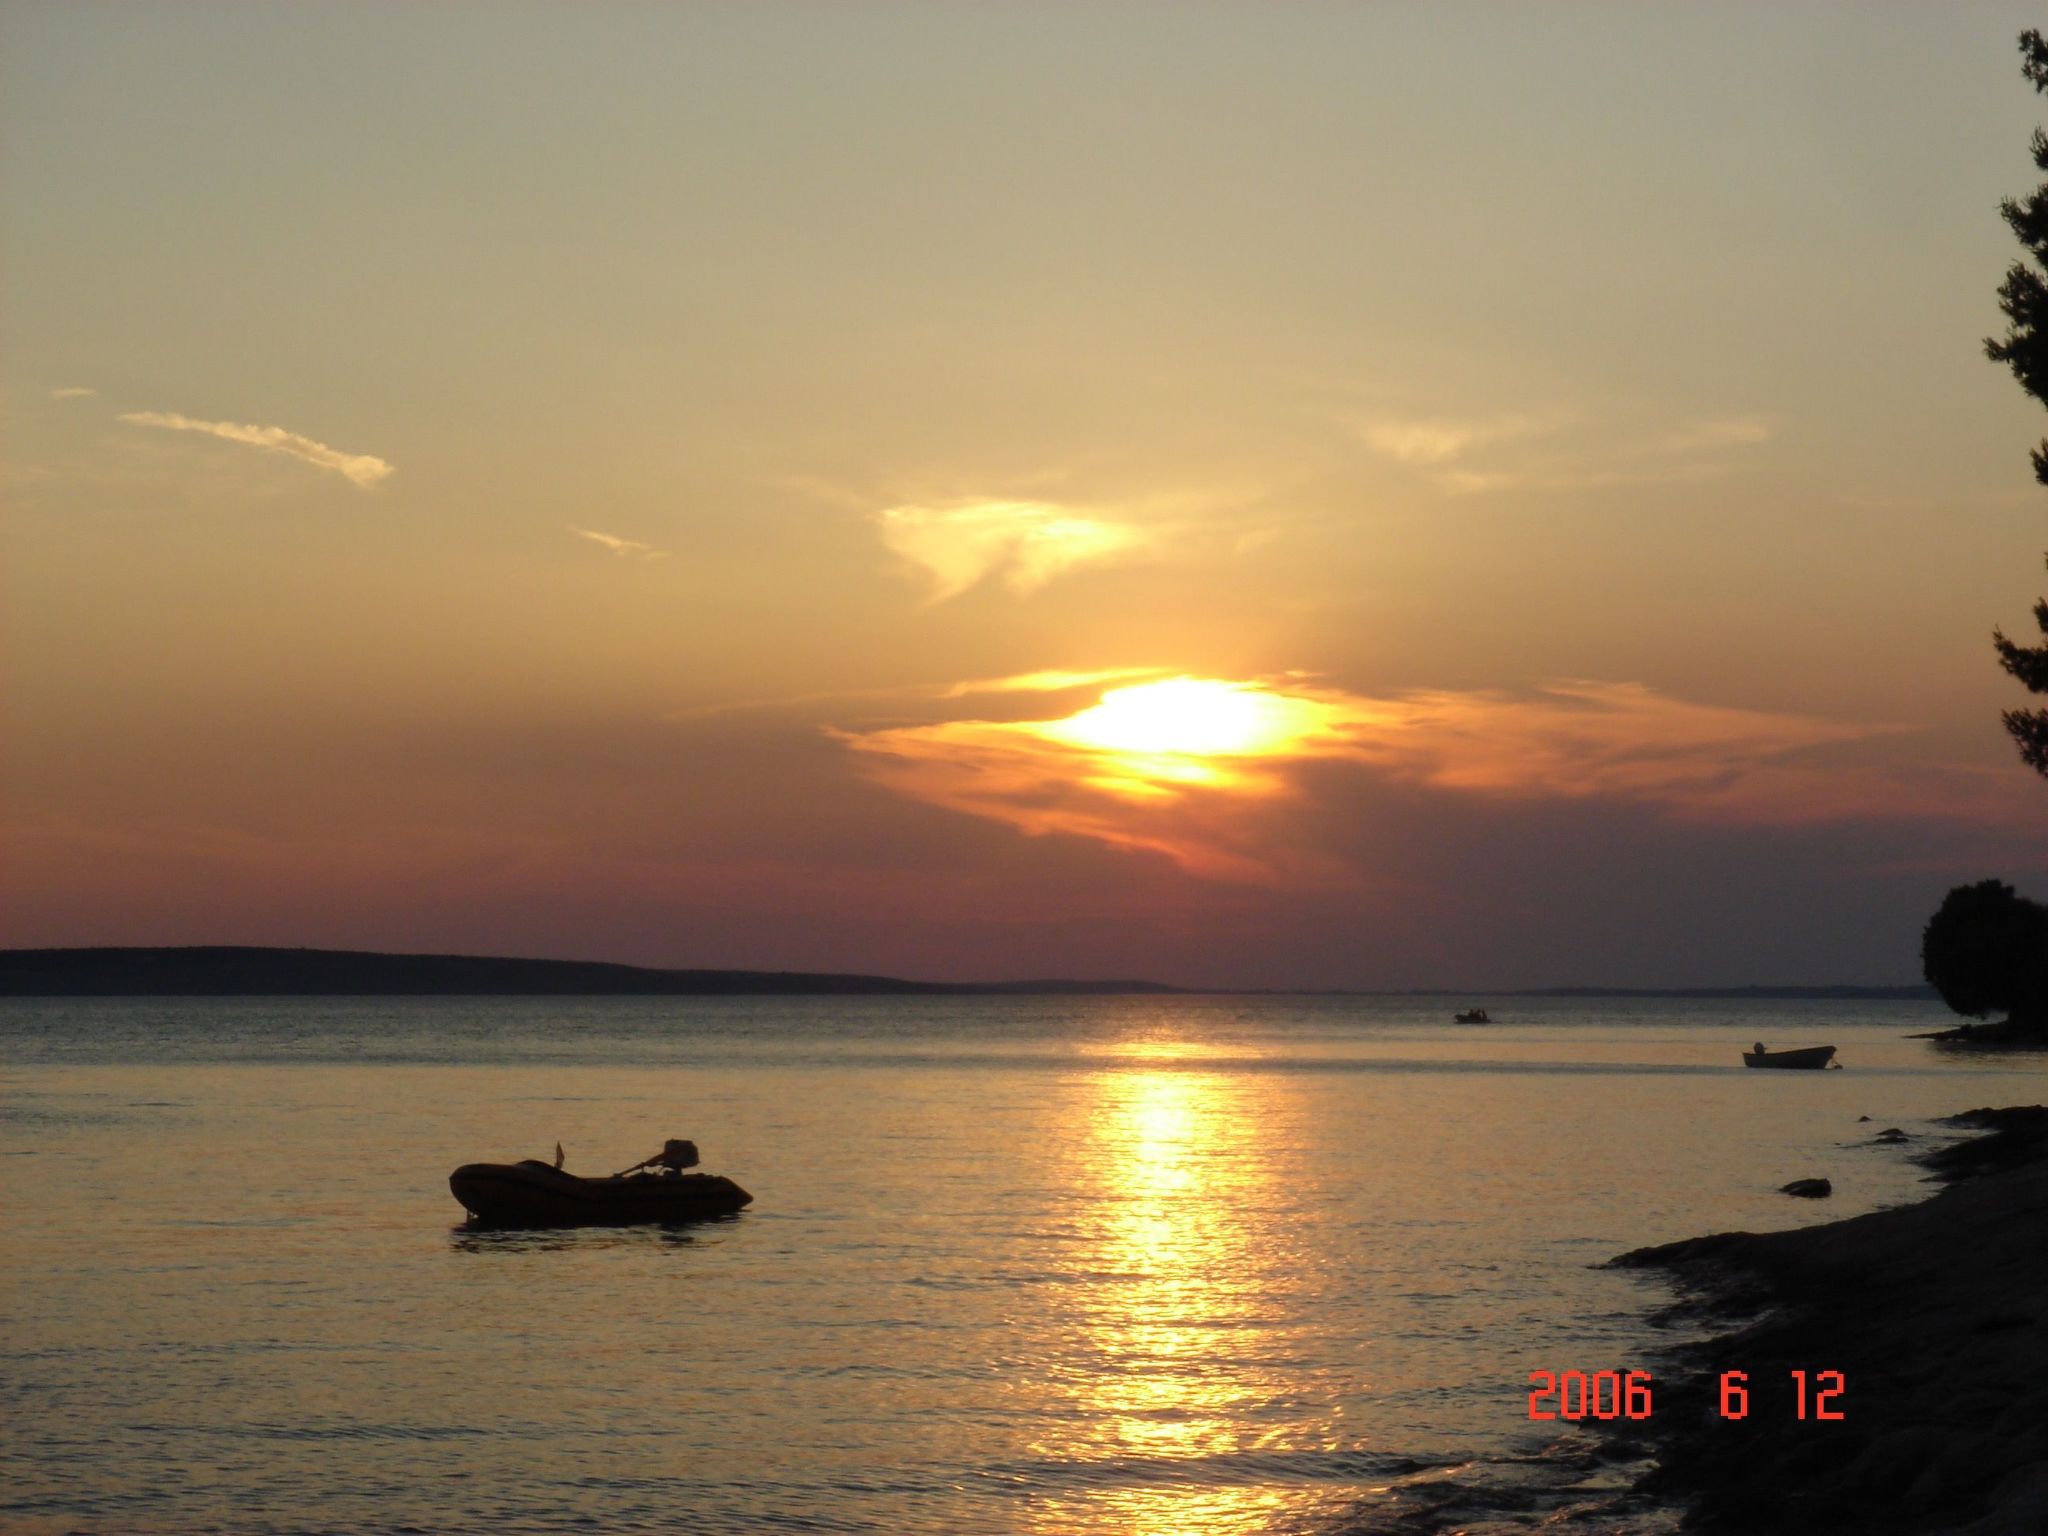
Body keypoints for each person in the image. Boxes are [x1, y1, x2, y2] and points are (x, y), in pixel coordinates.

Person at [620, 1138, 699, 1178]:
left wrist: (650, 1162)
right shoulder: (674, 1151)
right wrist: (651, 1163)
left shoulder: (680, 1149)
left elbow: (663, 1156)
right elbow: (663, 1157)